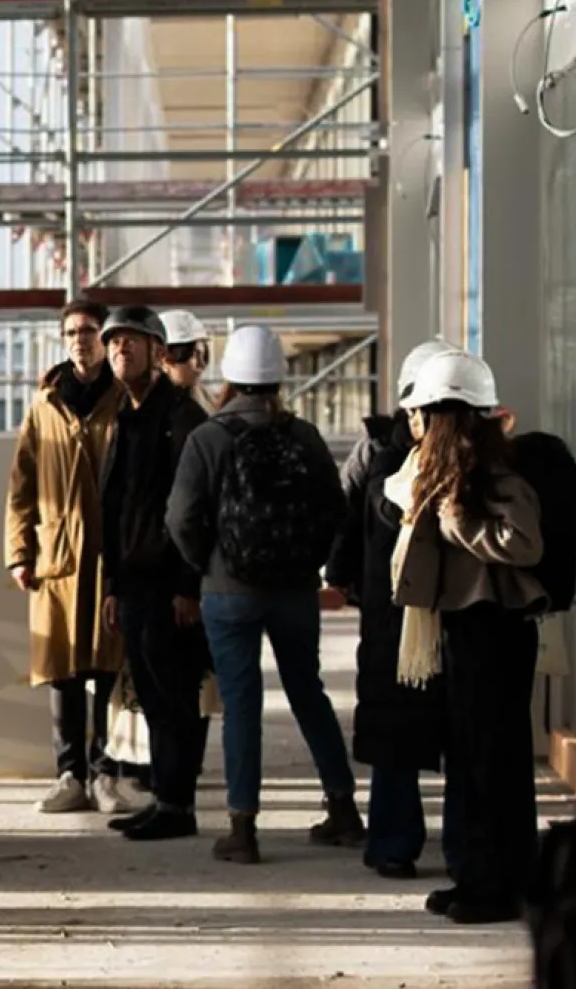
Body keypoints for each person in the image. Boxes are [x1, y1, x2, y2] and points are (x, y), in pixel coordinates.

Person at [165, 325, 364, 864]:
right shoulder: (302, 436)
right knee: (308, 693)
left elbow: (180, 518)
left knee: (242, 703)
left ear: (229, 376)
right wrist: (307, 561)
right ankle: (344, 809)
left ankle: (243, 827)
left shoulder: (207, 439)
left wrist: (209, 561)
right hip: (295, 590)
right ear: (278, 377)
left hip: (227, 591)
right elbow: (335, 511)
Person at [390, 350, 546, 925]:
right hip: (467, 627)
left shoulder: (496, 476)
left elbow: (524, 543)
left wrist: (462, 524)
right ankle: (480, 877)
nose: (419, 427)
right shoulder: (456, 472)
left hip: (494, 631)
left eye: (426, 416)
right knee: (472, 761)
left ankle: (502, 885)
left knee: (494, 764)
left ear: (447, 419)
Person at [326, 339, 465, 880]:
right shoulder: (475, 471)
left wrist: (349, 584)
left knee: (395, 741)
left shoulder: (385, 467)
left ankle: (393, 843)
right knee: (459, 740)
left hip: (391, 624)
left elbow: (352, 541)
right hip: (446, 625)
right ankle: (460, 848)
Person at [5, 299, 139, 815]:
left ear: (104, 340)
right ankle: (69, 774)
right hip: (56, 554)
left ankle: (106, 771)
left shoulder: (124, 401)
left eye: (88, 330)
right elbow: (21, 484)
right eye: (71, 332)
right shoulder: (45, 405)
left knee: (108, 666)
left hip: (109, 555)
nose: (80, 339)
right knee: (59, 667)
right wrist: (20, 551)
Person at [96, 306, 210, 842]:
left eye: (131, 342)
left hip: (170, 588)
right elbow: (116, 507)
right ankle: (166, 799)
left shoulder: (181, 418)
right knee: (152, 697)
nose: (120, 350)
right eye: (114, 342)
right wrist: (114, 586)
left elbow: (196, 509)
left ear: (158, 352)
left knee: (175, 698)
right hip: (135, 585)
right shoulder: (126, 416)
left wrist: (189, 586)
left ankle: (178, 807)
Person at [158, 309, 212, 409]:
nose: (201, 365)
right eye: (187, 354)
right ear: (163, 358)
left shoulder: (206, 401)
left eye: (204, 355)